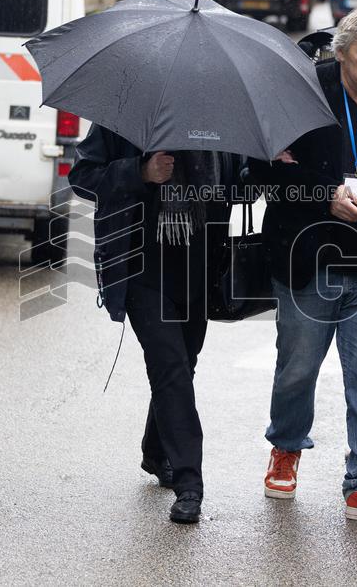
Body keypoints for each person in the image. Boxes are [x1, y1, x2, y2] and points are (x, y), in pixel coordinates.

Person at [250, 3, 357, 522]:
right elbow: (261, 176)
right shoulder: (304, 93)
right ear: (341, 52)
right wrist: (323, 196)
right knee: (298, 368)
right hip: (309, 258)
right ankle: (286, 446)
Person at [68, 126, 237, 525]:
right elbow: (83, 178)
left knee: (182, 366)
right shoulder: (129, 111)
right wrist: (140, 172)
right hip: (142, 269)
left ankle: (154, 451)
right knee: (172, 369)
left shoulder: (221, 119)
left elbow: (239, 184)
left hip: (201, 268)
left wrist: (267, 168)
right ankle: (189, 485)